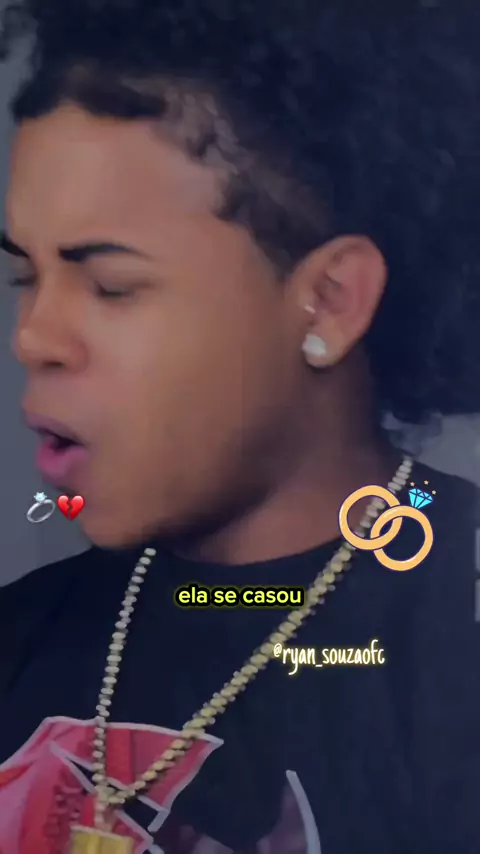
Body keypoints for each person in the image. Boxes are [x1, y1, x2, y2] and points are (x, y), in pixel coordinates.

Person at [0, 0, 479, 851]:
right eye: (24, 277)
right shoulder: (21, 635)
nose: (32, 337)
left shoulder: (451, 641)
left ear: (329, 300)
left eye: (111, 286)